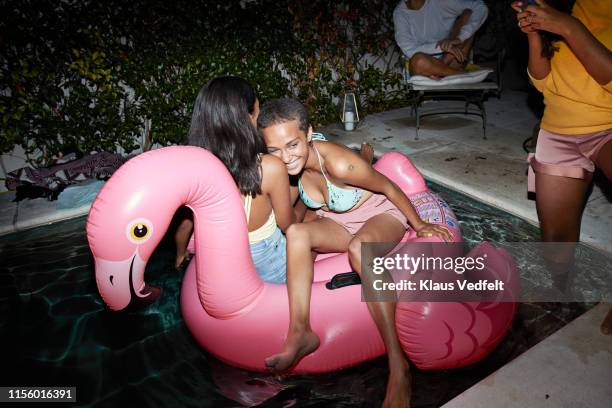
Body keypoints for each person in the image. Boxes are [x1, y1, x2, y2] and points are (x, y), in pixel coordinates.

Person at [258, 98, 453, 407]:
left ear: (308, 135)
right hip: (341, 221)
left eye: (292, 145)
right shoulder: (285, 170)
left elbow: (389, 187)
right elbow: (293, 219)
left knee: (359, 248)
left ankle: (398, 366)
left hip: (380, 214)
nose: (285, 157)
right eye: (274, 151)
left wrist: (420, 224)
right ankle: (300, 332)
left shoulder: (339, 163)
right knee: (296, 233)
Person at [512, 0, 611, 332]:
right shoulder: (557, 4)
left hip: (609, 125)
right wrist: (534, 32)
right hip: (559, 129)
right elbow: (542, 80)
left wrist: (567, 25)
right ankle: (561, 292)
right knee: (555, 239)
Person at [179, 76, 296, 283]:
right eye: (257, 113)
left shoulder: (193, 169)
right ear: (248, 118)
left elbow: (185, 226)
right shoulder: (269, 168)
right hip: (266, 263)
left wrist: (180, 253)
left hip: (220, 265)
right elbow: (288, 225)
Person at [393, 0, 488, 79]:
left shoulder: (439, 2)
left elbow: (480, 7)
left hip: (453, 59)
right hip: (425, 67)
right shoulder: (400, 13)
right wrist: (442, 47)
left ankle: (442, 72)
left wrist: (460, 38)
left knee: (469, 14)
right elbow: (409, 50)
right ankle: (462, 75)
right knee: (418, 61)